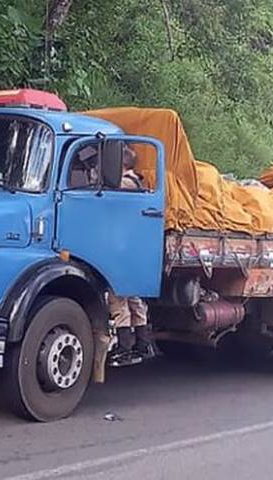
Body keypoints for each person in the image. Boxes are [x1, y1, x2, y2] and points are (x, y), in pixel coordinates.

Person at [107, 146, 155, 367]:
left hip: (121, 249)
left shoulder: (125, 184)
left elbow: (107, 194)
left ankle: (124, 348)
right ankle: (143, 343)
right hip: (132, 250)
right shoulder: (137, 182)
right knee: (134, 299)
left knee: (119, 300)